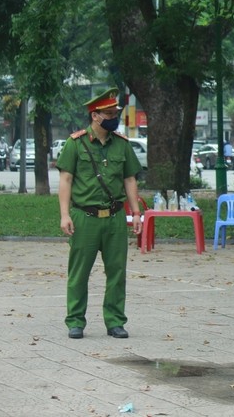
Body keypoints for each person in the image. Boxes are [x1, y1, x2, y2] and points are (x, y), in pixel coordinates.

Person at [56, 88, 143, 339]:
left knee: (117, 271)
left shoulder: (122, 144)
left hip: (115, 216)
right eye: (109, 113)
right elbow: (66, 179)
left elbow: (129, 179)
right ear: (95, 116)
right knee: (79, 273)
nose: (114, 116)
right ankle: (75, 321)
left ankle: (115, 321)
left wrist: (135, 212)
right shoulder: (76, 143)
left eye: (115, 112)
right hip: (85, 217)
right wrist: (65, 214)